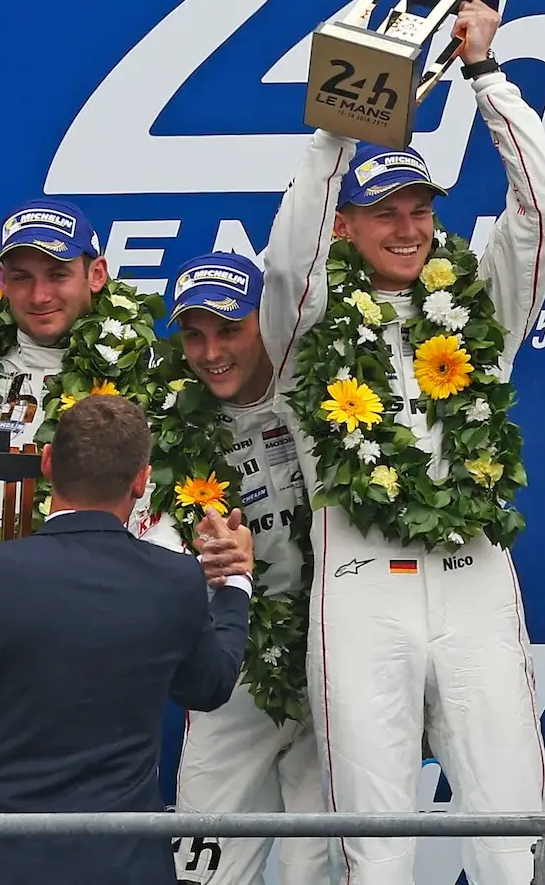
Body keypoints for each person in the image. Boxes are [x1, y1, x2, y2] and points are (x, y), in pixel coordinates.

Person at [259, 0, 545, 885]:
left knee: (513, 832)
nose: (406, 227)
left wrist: (487, 78)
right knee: (375, 843)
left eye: (420, 207)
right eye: (382, 210)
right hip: (358, 589)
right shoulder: (306, 329)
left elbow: (541, 210)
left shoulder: (479, 309)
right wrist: (335, 133)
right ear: (347, 224)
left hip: (473, 579)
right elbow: (290, 259)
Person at [0, 394, 254, 885]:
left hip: (0, 867)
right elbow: (209, 687)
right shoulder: (175, 581)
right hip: (124, 867)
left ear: (47, 462)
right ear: (142, 480)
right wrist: (234, 584)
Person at [0, 198, 164, 812]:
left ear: (95, 274)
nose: (39, 293)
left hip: (98, 633)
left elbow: (160, 507)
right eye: (21, 276)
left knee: (88, 828)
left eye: (57, 273)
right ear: (1, 284)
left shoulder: (144, 369)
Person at [145, 253, 332, 885]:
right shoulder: (167, 426)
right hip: (234, 673)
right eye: (194, 335)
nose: (211, 351)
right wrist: (191, 562)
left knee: (322, 868)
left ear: (267, 324)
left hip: (332, 663)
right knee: (204, 870)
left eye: (229, 329)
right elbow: (146, 539)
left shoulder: (323, 397)